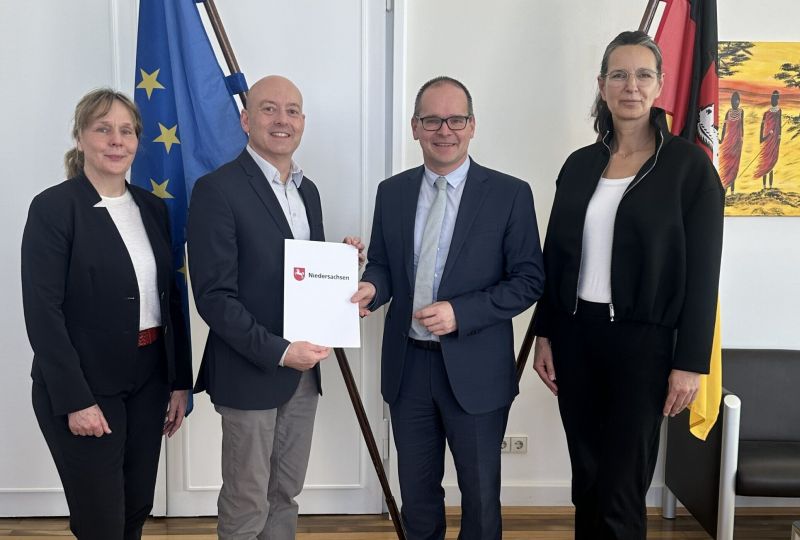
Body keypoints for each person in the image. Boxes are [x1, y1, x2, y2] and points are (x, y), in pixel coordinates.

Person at [531, 31, 724, 539]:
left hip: (645, 344)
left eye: (642, 75)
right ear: (602, 85)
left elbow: (704, 275)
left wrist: (690, 363)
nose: (630, 86)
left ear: (660, 85)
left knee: (621, 487)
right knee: (587, 480)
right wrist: (544, 333)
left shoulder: (689, 169)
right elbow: (555, 257)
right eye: (618, 75)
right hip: (575, 337)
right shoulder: (579, 165)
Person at [352, 76, 544, 540]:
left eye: (456, 120)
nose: (444, 130)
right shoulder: (392, 192)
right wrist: (371, 288)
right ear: (415, 127)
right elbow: (383, 265)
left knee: (480, 499)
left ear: (472, 126)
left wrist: (462, 313)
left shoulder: (509, 194)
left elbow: (528, 281)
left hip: (477, 370)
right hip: (408, 370)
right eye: (432, 120)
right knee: (417, 498)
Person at [187, 75, 364, 540]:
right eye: (268, 108)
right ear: (246, 120)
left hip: (303, 374)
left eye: (292, 110)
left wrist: (342, 273)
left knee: (285, 493)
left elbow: (301, 278)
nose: (281, 119)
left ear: (303, 121)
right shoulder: (216, 190)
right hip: (249, 369)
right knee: (247, 500)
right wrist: (281, 351)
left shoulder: (309, 192)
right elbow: (213, 297)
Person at [21, 88, 192, 540]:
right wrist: (75, 399)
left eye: (126, 131)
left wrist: (179, 381)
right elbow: (42, 313)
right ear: (80, 138)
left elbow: (170, 299)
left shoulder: (152, 208)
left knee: (136, 508)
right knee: (101, 521)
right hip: (85, 381)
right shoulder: (54, 208)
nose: (117, 140)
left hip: (149, 378)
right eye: (103, 129)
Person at [753, 90, 781, 190]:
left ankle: (770, 186)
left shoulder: (779, 111)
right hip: (767, 141)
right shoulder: (766, 113)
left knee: (771, 164)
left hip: (774, 141)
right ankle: (764, 187)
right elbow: (762, 126)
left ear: (777, 100)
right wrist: (762, 138)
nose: (774, 101)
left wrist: (779, 138)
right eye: (773, 98)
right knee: (765, 163)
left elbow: (779, 125)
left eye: (775, 99)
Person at [719, 91, 744, 194]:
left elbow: (742, 126)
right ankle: (724, 188)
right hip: (728, 142)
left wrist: (742, 138)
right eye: (733, 101)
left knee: (734, 166)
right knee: (727, 165)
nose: (735, 103)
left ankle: (732, 191)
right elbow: (724, 127)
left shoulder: (741, 112)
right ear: (731, 102)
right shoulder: (728, 112)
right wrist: (721, 139)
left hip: (737, 143)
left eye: (737, 101)